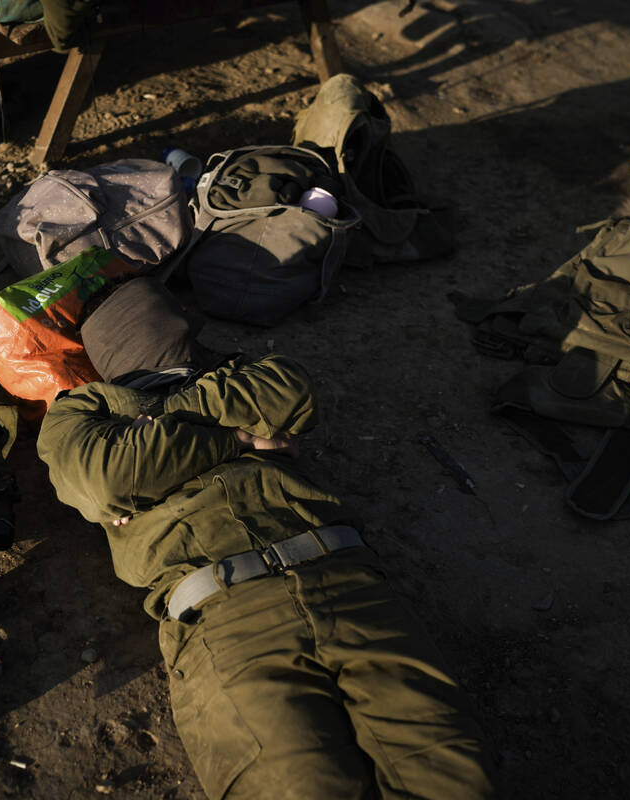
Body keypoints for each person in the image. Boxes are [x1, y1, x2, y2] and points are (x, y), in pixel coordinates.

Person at [36, 277, 495, 799]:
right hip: (226, 616)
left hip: (348, 583)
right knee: (301, 787)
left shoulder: (243, 369)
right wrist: (239, 437)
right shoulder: (78, 409)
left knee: (455, 780)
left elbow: (291, 395)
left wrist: (152, 439)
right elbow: (103, 481)